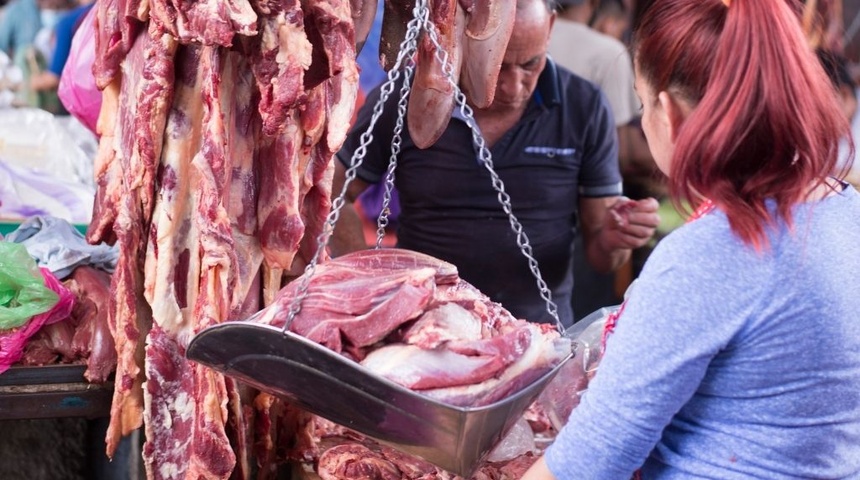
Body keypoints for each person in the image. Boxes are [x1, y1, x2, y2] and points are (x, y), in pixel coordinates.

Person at [522, 0, 860, 478]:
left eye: (642, 103)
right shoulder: (845, 208)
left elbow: (586, 464)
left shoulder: (713, 253)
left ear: (669, 113)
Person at [330, 0, 660, 328]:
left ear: (550, 30)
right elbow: (332, 194)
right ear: (462, 35)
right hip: (424, 328)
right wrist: (369, 282)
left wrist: (615, 237)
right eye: (499, 66)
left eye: (530, 65)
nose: (515, 87)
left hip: (535, 338)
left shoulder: (584, 107)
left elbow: (604, 256)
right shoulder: (410, 96)